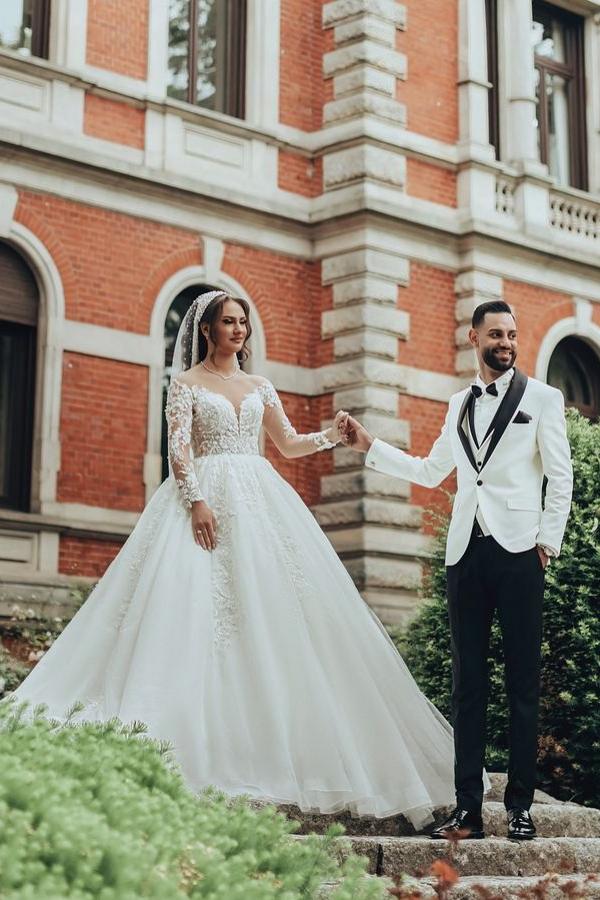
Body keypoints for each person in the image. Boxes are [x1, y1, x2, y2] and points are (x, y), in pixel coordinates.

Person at [10, 289, 458, 827]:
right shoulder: (187, 385)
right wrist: (196, 501)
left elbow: (287, 445)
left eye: (243, 322)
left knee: (272, 610)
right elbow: (178, 453)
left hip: (262, 500)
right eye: (229, 322)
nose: (239, 330)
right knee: (198, 609)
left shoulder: (261, 385)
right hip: (206, 498)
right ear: (208, 329)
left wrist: (332, 437)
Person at [340, 300, 573, 840]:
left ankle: (520, 808)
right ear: (474, 338)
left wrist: (547, 543)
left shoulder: (542, 399)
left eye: (513, 334)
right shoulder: (456, 405)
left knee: (521, 685)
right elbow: (429, 471)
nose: (507, 342)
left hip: (520, 552)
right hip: (465, 552)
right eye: (496, 334)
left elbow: (559, 477)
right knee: (467, 685)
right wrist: (369, 446)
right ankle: (468, 808)